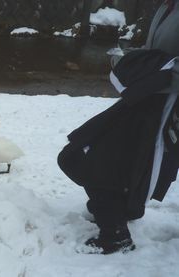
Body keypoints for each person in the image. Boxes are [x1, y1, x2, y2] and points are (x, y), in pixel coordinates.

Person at [57, 0, 179, 254]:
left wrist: (157, 76)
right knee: (80, 153)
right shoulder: (166, 7)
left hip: (165, 108)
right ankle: (119, 210)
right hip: (143, 99)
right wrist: (130, 63)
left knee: (100, 157)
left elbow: (166, 66)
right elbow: (152, 52)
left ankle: (115, 232)